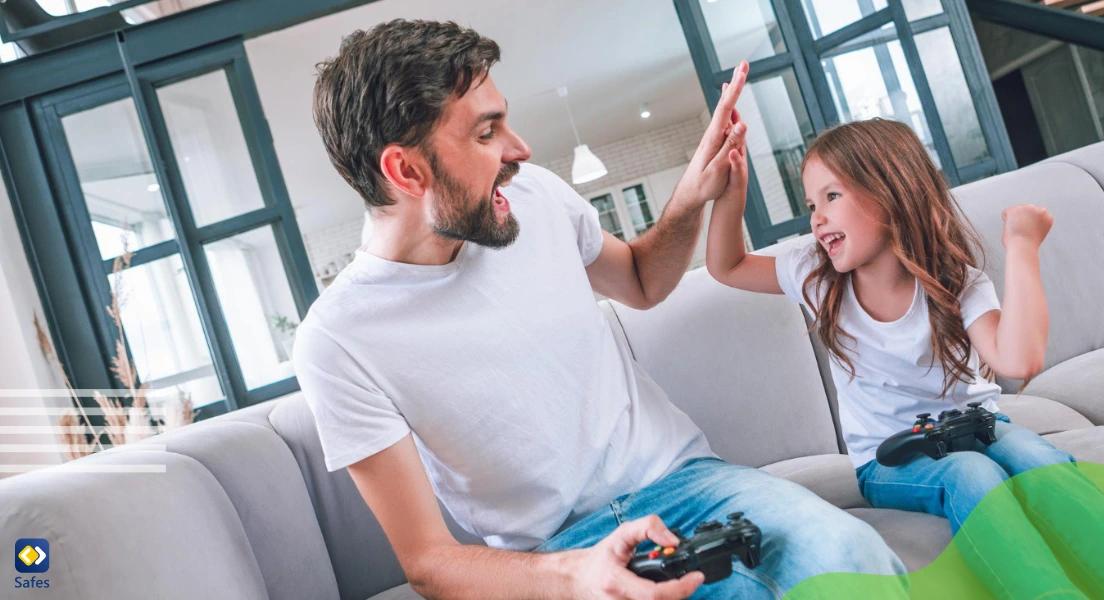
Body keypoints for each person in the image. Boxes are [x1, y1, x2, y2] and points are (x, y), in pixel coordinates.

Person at [295, 18, 906, 600]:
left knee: (850, 553)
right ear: (405, 170)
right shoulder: (339, 339)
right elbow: (428, 563)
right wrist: (577, 576)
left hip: (690, 484)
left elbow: (641, 280)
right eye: (486, 134)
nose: (520, 150)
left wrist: (692, 193)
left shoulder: (531, 197)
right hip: (556, 551)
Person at [705, 117, 1104, 599]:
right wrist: (733, 188)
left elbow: (1019, 359)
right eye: (811, 204)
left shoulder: (957, 282)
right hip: (891, 458)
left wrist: (1021, 247)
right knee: (968, 473)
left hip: (980, 427)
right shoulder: (815, 274)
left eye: (832, 197)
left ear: (890, 191)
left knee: (1035, 455)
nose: (816, 218)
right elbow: (726, 265)